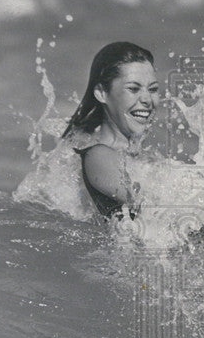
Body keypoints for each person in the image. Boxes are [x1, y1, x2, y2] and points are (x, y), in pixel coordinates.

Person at [63, 41, 160, 220]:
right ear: (101, 93)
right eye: (133, 89)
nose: (147, 99)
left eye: (153, 89)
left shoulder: (143, 157)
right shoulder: (98, 155)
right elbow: (151, 207)